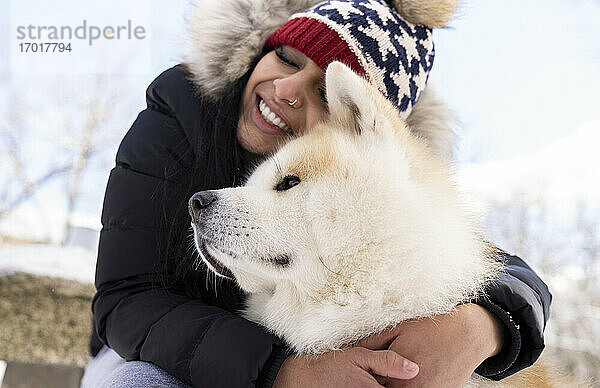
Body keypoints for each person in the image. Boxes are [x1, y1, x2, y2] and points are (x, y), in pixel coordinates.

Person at [81, 0, 552, 387]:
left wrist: (483, 326)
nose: (285, 88)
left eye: (324, 93)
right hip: (148, 349)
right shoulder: (182, 114)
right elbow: (126, 298)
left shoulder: (383, 193)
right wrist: (281, 370)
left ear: (354, 121)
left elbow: (495, 267)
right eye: (286, 57)